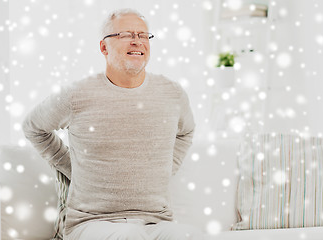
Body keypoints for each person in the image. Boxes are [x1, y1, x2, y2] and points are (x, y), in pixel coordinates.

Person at [22, 8, 205, 240]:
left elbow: (186, 131)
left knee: (192, 235)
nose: (137, 41)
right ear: (103, 47)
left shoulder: (172, 93)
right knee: (128, 236)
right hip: (91, 223)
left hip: (154, 222)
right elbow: (33, 127)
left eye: (143, 35)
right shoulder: (76, 95)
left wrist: (169, 167)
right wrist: (72, 167)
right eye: (127, 34)